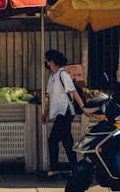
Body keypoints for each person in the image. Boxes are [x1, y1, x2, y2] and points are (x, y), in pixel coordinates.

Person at [41, 49, 85, 178]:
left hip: (65, 111)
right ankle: (75, 167)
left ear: (51, 61)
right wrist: (45, 113)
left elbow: (74, 92)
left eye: (46, 59)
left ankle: (54, 168)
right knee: (67, 141)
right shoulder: (52, 76)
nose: (45, 62)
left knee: (52, 140)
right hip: (60, 113)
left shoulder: (63, 74)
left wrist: (83, 108)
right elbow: (49, 97)